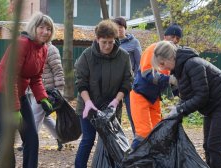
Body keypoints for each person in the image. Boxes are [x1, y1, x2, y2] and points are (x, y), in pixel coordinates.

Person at [152, 41, 221, 168]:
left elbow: (201, 96)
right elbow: (187, 96)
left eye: (162, 63)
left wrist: (180, 110)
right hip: (212, 107)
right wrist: (177, 109)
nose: (163, 68)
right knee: (207, 145)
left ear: (170, 57)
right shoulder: (180, 69)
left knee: (214, 145)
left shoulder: (193, 64)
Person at [0, 12, 54, 167]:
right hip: (0, 92)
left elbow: (36, 77)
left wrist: (43, 98)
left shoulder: (43, 49)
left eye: (48, 29)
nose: (45, 32)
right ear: (34, 28)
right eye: (42, 27)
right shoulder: (21, 44)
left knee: (31, 137)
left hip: (18, 92)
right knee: (6, 137)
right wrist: (15, 109)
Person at [74, 19, 133, 168]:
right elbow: (81, 82)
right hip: (89, 106)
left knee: (109, 142)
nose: (107, 46)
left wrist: (116, 101)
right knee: (88, 139)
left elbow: (127, 82)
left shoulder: (123, 57)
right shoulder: (87, 56)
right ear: (97, 39)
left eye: (111, 42)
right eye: (104, 42)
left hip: (111, 107)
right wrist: (87, 102)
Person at [129, 23, 182, 149]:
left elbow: (174, 82)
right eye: (172, 36)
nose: (174, 40)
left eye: (177, 38)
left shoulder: (173, 56)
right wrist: (170, 79)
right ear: (165, 37)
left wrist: (180, 98)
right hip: (140, 95)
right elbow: (148, 74)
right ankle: (129, 161)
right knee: (143, 134)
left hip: (154, 98)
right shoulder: (154, 49)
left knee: (158, 132)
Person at [28, 42, 65, 151]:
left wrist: (59, 91)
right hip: (32, 90)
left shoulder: (51, 50)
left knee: (34, 117)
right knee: (44, 118)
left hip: (46, 91)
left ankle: (29, 142)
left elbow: (58, 72)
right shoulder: (33, 48)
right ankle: (60, 137)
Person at [113, 17, 142, 134]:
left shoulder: (134, 43)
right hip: (114, 85)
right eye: (116, 28)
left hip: (130, 85)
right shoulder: (110, 43)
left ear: (125, 28)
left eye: (121, 27)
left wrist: (135, 80)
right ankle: (116, 143)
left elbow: (140, 63)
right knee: (114, 115)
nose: (119, 30)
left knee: (133, 115)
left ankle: (138, 142)